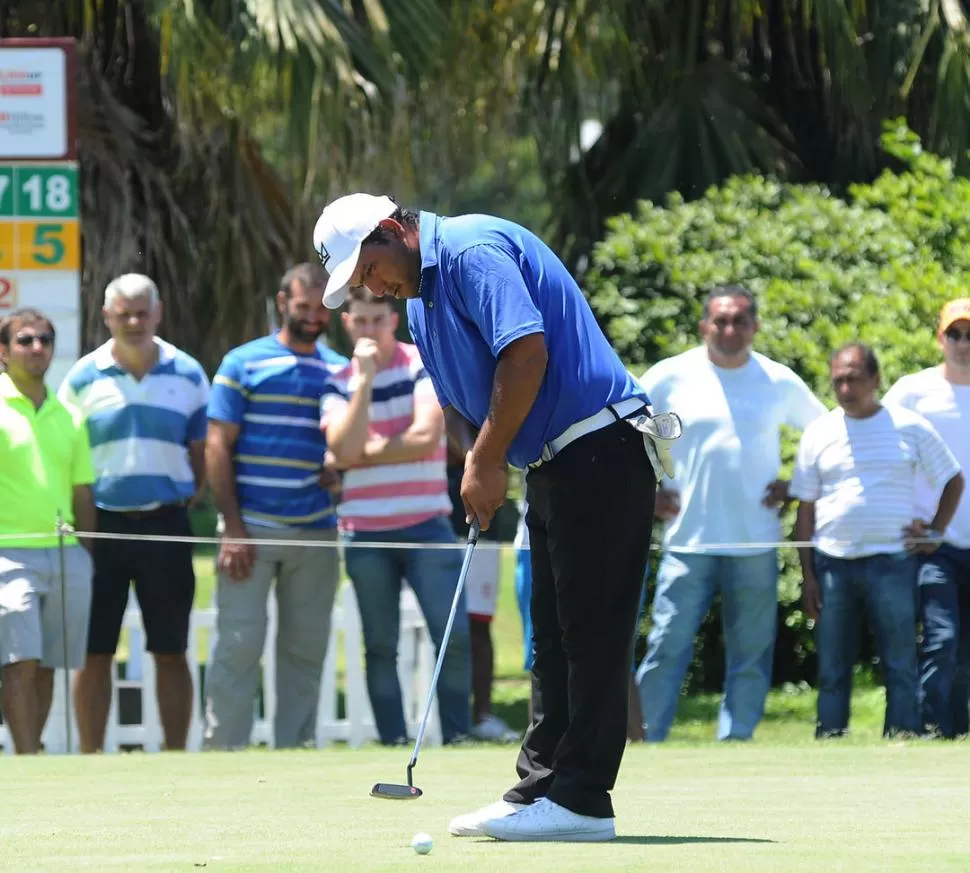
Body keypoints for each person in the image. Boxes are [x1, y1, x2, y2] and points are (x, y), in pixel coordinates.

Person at [313, 193, 663, 842]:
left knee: (589, 633)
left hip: (601, 447)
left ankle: (584, 800)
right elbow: (453, 404)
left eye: (370, 270)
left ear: (394, 230)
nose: (375, 289)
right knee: (551, 637)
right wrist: (477, 459)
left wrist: (488, 456)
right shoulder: (420, 304)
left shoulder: (471, 249)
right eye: (362, 284)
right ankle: (541, 789)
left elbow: (525, 354)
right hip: (554, 463)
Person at [634, 286, 826, 742]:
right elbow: (625, 430)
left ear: (755, 326)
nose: (730, 329)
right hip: (687, 541)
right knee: (666, 646)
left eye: (740, 320)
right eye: (721, 320)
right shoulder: (669, 376)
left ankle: (736, 742)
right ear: (704, 326)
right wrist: (647, 491)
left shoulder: (777, 380)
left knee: (752, 654)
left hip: (755, 542)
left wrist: (796, 485)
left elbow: (825, 434)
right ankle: (640, 739)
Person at [58, 274, 209, 753]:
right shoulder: (82, 376)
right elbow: (67, 455)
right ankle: (89, 758)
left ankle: (174, 755)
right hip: (102, 526)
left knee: (171, 648)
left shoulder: (187, 373)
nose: (133, 321)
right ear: (107, 317)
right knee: (94, 648)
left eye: (142, 312)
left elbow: (201, 453)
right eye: (123, 313)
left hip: (166, 524)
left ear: (158, 313)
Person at [321, 286, 471, 746]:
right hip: (365, 534)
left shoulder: (419, 363)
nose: (370, 331)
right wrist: (362, 382)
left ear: (394, 321)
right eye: (360, 321)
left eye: (378, 321)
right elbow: (339, 448)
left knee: (453, 638)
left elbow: (428, 437)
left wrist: (358, 456)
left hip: (427, 525)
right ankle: (392, 744)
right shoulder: (337, 379)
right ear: (347, 323)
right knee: (380, 647)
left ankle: (460, 740)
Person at [203, 263, 345, 750]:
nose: (312, 316)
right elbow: (217, 445)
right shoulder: (242, 362)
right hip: (252, 530)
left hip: (317, 530)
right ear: (282, 303)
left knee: (305, 652)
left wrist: (339, 468)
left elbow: (346, 441)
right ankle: (224, 755)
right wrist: (233, 528)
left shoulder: (336, 368)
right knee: (237, 647)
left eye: (320, 308)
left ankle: (295, 756)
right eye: (302, 306)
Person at [791, 343, 964, 738]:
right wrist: (809, 575)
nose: (845, 388)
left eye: (853, 379)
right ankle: (831, 737)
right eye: (838, 380)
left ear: (875, 379)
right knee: (833, 663)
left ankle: (903, 734)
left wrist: (936, 531)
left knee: (899, 660)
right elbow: (805, 508)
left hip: (894, 562)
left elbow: (953, 478)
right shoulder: (820, 430)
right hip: (833, 563)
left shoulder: (910, 425)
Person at [0, 308, 95, 754]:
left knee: (48, 666)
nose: (37, 347)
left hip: (65, 552)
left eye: (45, 339)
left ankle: (32, 754)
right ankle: (25, 759)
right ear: (3, 351)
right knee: (20, 661)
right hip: (8, 553)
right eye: (25, 340)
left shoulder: (69, 415)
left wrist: (85, 553)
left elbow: (83, 496)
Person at [883, 298, 970, 737]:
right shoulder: (912, 391)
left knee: (964, 650)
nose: (964, 342)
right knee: (942, 639)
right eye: (955, 333)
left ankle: (955, 733)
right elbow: (878, 445)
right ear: (940, 338)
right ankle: (931, 727)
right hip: (935, 544)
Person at [445, 408, 519, 742]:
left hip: (481, 519)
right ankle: (446, 716)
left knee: (477, 622)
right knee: (436, 625)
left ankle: (482, 714)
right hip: (432, 517)